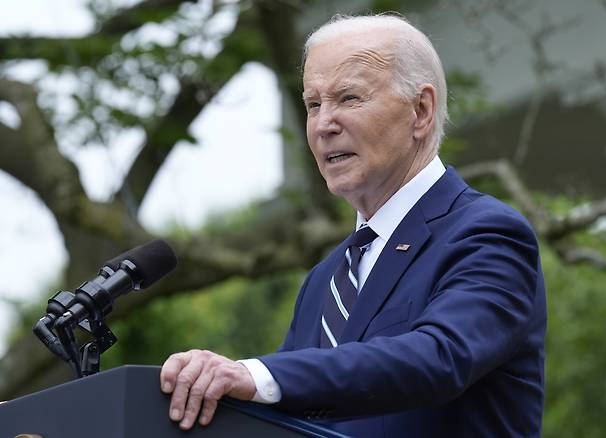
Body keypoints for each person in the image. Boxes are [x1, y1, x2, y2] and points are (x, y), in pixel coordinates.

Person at [160, 14, 546, 437]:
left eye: (348, 98)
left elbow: (438, 357)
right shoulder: (324, 279)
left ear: (420, 110)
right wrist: (209, 387)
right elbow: (289, 413)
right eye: (313, 104)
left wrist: (255, 375)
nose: (324, 124)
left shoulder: (486, 234)